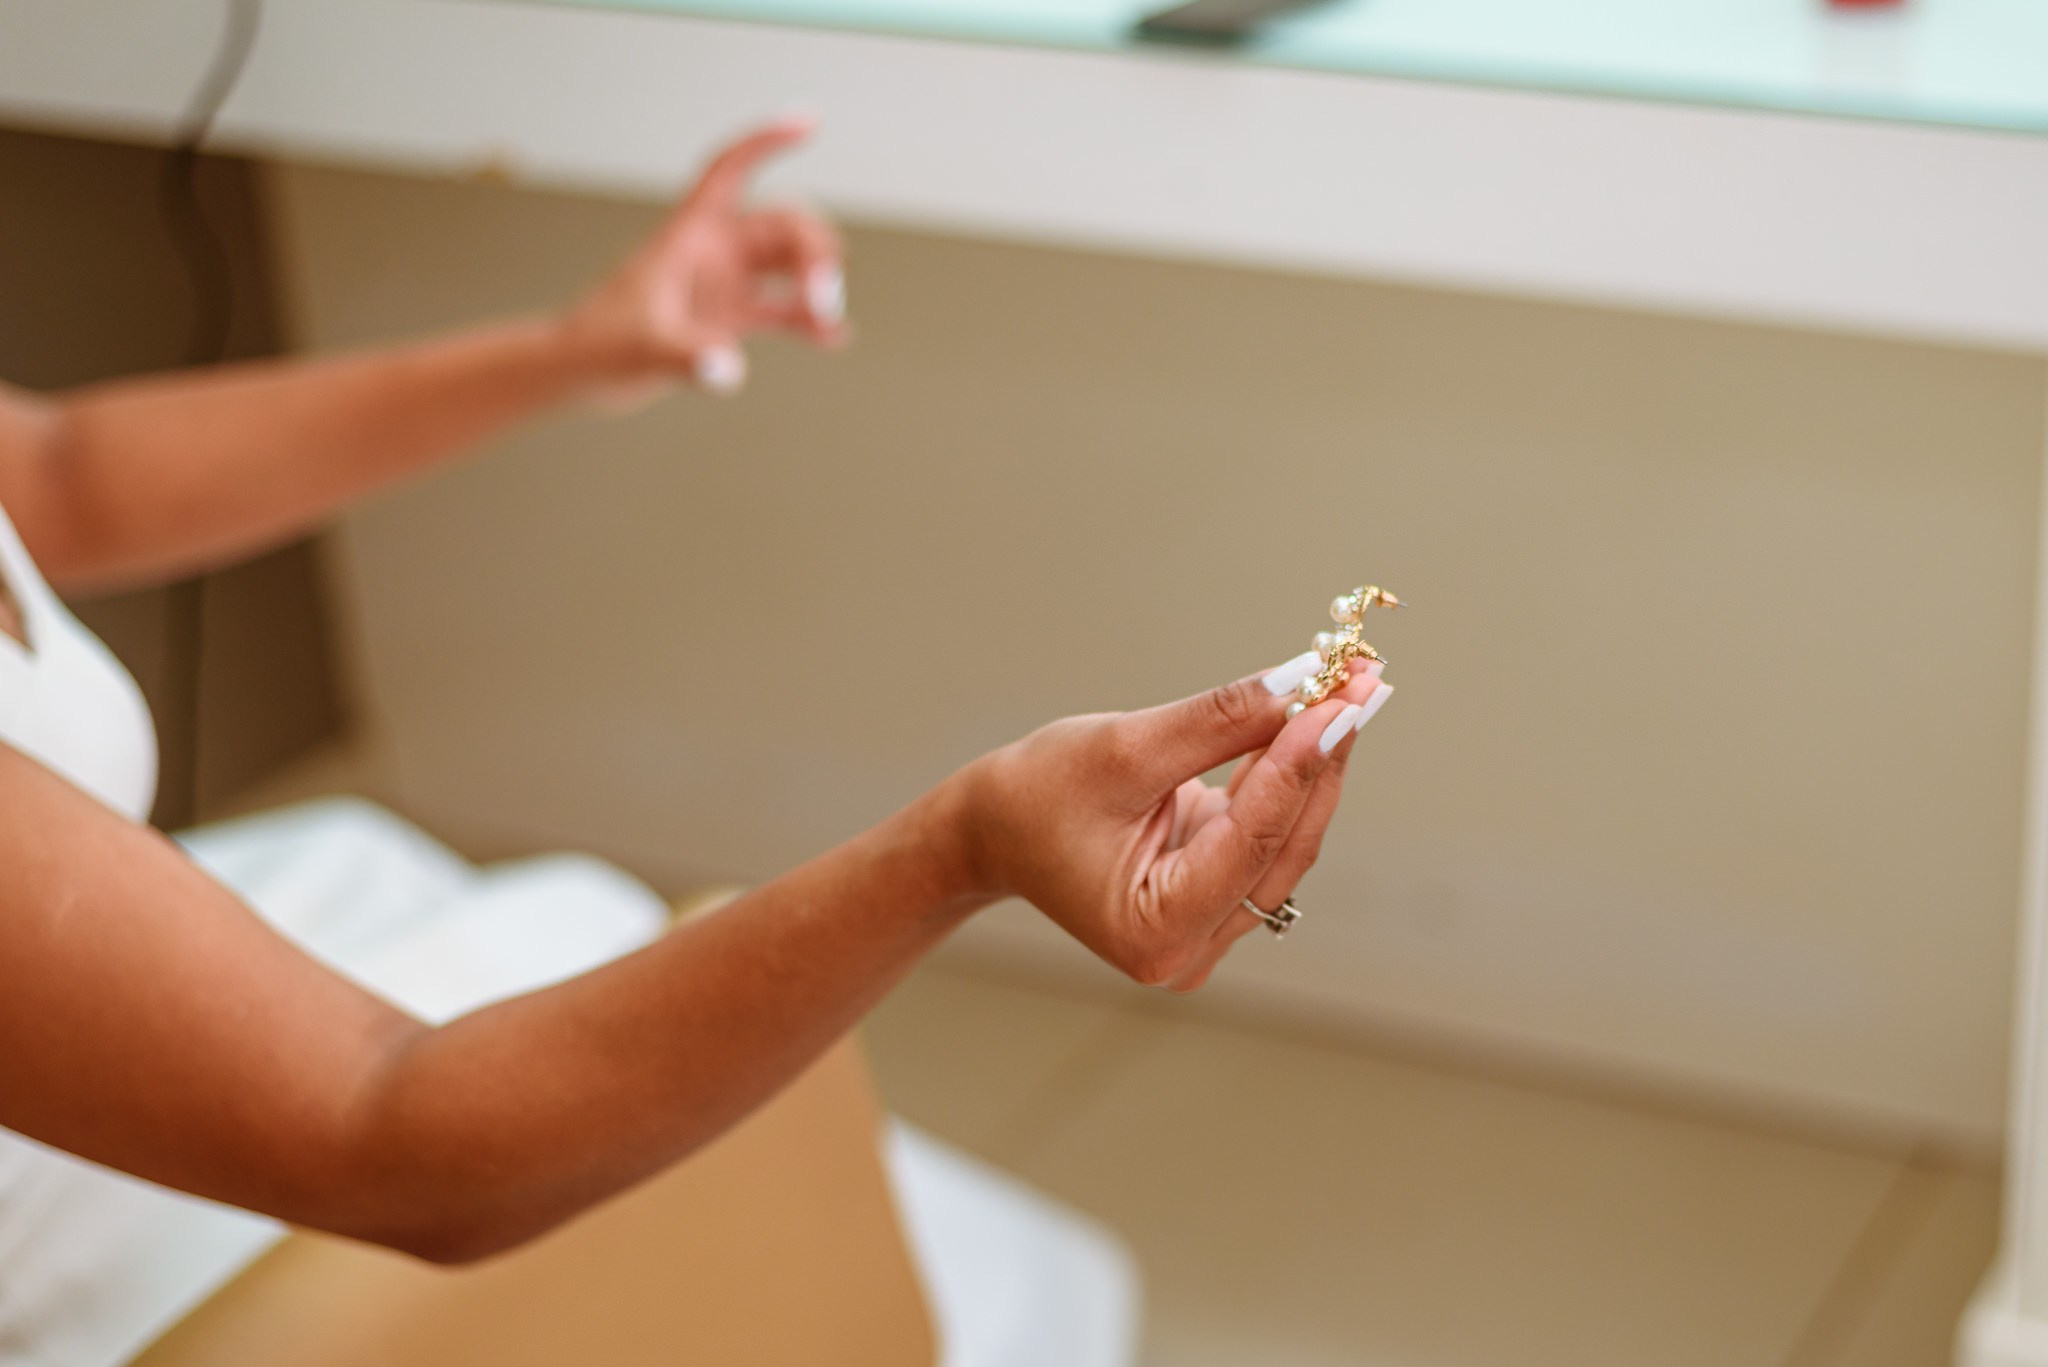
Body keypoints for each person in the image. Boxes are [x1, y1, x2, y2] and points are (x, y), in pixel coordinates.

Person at [0, 119, 1392, 1362]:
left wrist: (575, 351)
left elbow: (59, 474)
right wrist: (960, 849)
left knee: (1000, 1262)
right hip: (152, 1206)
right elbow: (390, 1133)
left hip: (162, 984)